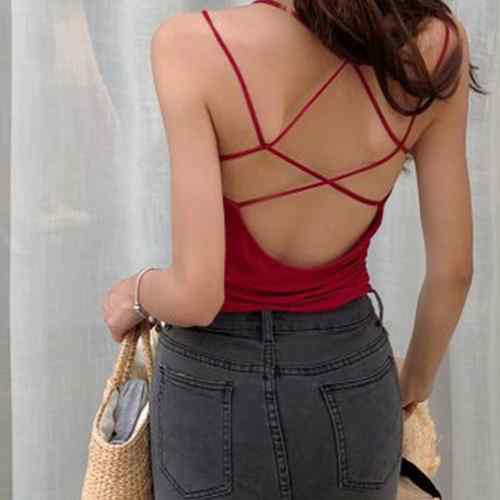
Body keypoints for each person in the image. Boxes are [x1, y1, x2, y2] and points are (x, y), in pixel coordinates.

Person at [103, 0, 484, 498]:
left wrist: (133, 292)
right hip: (350, 373)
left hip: (213, 385)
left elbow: (196, 296)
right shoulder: (432, 45)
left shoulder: (191, 46)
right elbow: (454, 270)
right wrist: (413, 381)